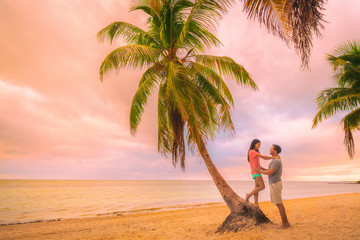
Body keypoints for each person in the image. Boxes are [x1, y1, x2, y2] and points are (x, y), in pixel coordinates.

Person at [256, 144, 290, 229]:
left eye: (271, 149)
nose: (269, 150)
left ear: (275, 151)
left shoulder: (276, 161)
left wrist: (259, 171)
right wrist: (262, 168)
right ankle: (285, 223)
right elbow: (269, 170)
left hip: (275, 183)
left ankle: (285, 223)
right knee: (278, 203)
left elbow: (270, 172)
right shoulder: (275, 160)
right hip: (273, 183)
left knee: (279, 203)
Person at [245, 139, 274, 208]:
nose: (259, 146)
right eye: (257, 144)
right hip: (256, 172)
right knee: (262, 187)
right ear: (254, 144)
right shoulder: (251, 151)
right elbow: (264, 157)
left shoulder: (256, 152)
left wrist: (264, 169)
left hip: (256, 171)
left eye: (259, 145)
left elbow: (257, 164)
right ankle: (248, 195)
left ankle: (256, 203)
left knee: (257, 188)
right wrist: (273, 157)